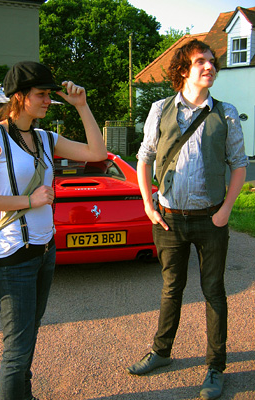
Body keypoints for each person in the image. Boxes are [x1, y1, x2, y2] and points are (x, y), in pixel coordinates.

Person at [0, 61, 107, 400]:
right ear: (19, 97)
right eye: (41, 94)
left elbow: (97, 153)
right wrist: (29, 201)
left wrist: (83, 106)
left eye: (48, 95)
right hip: (13, 257)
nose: (48, 101)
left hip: (45, 252)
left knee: (28, 338)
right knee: (16, 350)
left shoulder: (44, 137)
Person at [126, 39, 248, 400]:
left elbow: (239, 165)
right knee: (170, 289)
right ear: (183, 70)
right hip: (168, 220)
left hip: (211, 220)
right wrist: (148, 205)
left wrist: (225, 210)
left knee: (214, 292)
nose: (209, 67)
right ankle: (162, 352)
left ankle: (215, 367)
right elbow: (145, 157)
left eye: (212, 62)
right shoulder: (159, 108)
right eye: (201, 62)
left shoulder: (225, 113)